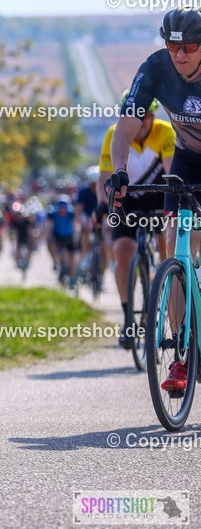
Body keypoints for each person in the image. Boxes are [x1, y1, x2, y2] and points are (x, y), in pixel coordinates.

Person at [109, 7, 201, 392]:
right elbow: (126, 124)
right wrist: (120, 170)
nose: (180, 55)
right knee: (174, 241)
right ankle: (181, 355)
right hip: (189, 159)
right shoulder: (155, 68)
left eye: (190, 46)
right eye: (172, 46)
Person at [97, 91, 174, 348]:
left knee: (167, 247)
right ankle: (129, 317)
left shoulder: (165, 132)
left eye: (145, 117)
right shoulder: (114, 134)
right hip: (127, 200)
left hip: (158, 197)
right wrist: (101, 204)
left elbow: (172, 168)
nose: (140, 123)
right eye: (134, 117)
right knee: (122, 250)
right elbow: (104, 176)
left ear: (153, 116)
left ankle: (165, 291)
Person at [46, 196, 78, 282]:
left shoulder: (72, 213)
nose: (63, 210)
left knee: (72, 257)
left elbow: (75, 226)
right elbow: (50, 226)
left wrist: (75, 237)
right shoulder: (52, 214)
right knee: (56, 249)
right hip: (57, 235)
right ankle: (58, 263)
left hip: (69, 236)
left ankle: (72, 278)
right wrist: (50, 236)